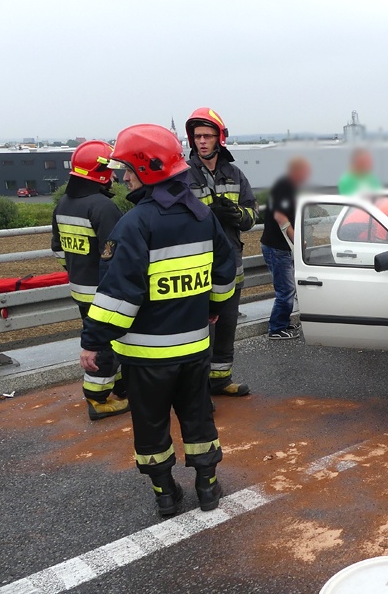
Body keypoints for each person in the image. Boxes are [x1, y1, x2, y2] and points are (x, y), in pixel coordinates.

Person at [80, 124, 235, 516]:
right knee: (198, 418)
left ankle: (165, 493)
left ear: (146, 170)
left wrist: (95, 342)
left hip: (146, 357)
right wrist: (212, 309)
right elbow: (224, 273)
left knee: (151, 426)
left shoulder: (134, 224)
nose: (123, 178)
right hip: (197, 348)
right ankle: (208, 487)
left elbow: (118, 296)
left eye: (127, 170)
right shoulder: (203, 216)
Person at [51, 140, 128, 420]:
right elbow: (116, 256)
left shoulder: (63, 204)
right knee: (106, 345)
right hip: (103, 292)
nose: (116, 177)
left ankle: (120, 386)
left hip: (80, 290)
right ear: (101, 172)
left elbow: (58, 248)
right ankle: (97, 399)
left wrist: (76, 270)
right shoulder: (103, 207)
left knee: (107, 341)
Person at [186, 107, 257, 397]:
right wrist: (205, 216)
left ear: (220, 139)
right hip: (197, 266)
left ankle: (220, 380)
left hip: (231, 264)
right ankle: (198, 387)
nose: (202, 141)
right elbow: (173, 220)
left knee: (227, 324)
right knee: (201, 330)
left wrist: (236, 215)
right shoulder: (183, 175)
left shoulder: (235, 173)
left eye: (207, 136)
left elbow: (252, 216)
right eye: (197, 136)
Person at [261, 157, 309, 339]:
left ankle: (284, 323)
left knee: (287, 288)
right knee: (286, 290)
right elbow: (280, 216)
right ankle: (276, 328)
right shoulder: (285, 186)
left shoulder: (290, 187)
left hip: (280, 247)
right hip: (276, 247)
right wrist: (295, 239)